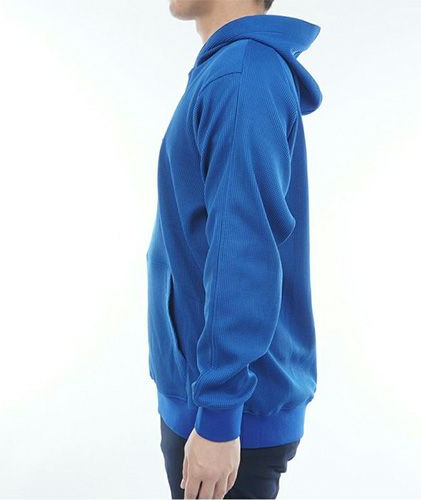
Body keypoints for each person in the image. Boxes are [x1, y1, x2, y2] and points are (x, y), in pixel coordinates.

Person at [146, 0, 323, 497]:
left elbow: (242, 250)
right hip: (205, 398)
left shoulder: (243, 75)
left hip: (230, 413)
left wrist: (220, 416)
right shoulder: (229, 69)